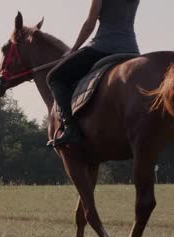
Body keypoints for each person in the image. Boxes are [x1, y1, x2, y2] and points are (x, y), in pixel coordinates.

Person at [47, 0, 140, 147]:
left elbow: (89, 25)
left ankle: (71, 129)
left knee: (54, 77)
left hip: (103, 47)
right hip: (131, 50)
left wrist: (73, 50)